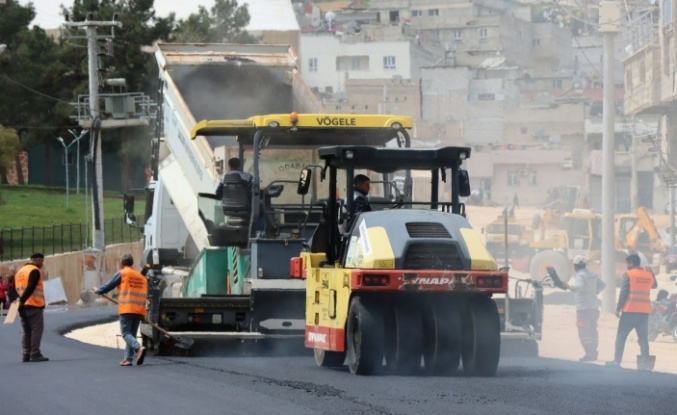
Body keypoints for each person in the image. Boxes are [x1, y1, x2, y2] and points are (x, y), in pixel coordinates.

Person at [95, 254, 149, 367]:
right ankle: (128, 358)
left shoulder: (123, 273)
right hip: (139, 310)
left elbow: (109, 285)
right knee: (132, 334)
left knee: (125, 334)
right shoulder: (141, 277)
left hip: (127, 308)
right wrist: (143, 313)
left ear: (122, 263)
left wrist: (99, 290)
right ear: (132, 263)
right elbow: (144, 296)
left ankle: (138, 347)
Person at [606, 253, 657, 369]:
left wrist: (618, 308)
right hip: (644, 313)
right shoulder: (648, 275)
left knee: (621, 336)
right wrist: (651, 272)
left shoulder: (629, 274)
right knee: (643, 339)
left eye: (627, 264)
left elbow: (623, 293)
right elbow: (655, 285)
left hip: (630, 311)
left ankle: (616, 362)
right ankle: (645, 363)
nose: (626, 266)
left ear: (631, 263)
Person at [563, 255, 606, 362]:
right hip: (594, 308)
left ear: (576, 266)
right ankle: (594, 352)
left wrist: (569, 287)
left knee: (583, 331)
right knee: (592, 330)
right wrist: (595, 292)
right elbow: (603, 285)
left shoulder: (580, 276)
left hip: (583, 309)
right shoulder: (592, 274)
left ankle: (589, 353)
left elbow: (579, 287)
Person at [15, 253, 49, 362]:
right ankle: (35, 354)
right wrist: (22, 300)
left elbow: (16, 289)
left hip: (22, 307)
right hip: (33, 305)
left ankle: (26, 354)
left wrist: (19, 303)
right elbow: (31, 287)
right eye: (42, 261)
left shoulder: (20, 272)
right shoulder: (34, 271)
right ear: (37, 259)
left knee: (26, 331)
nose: (42, 264)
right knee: (36, 329)